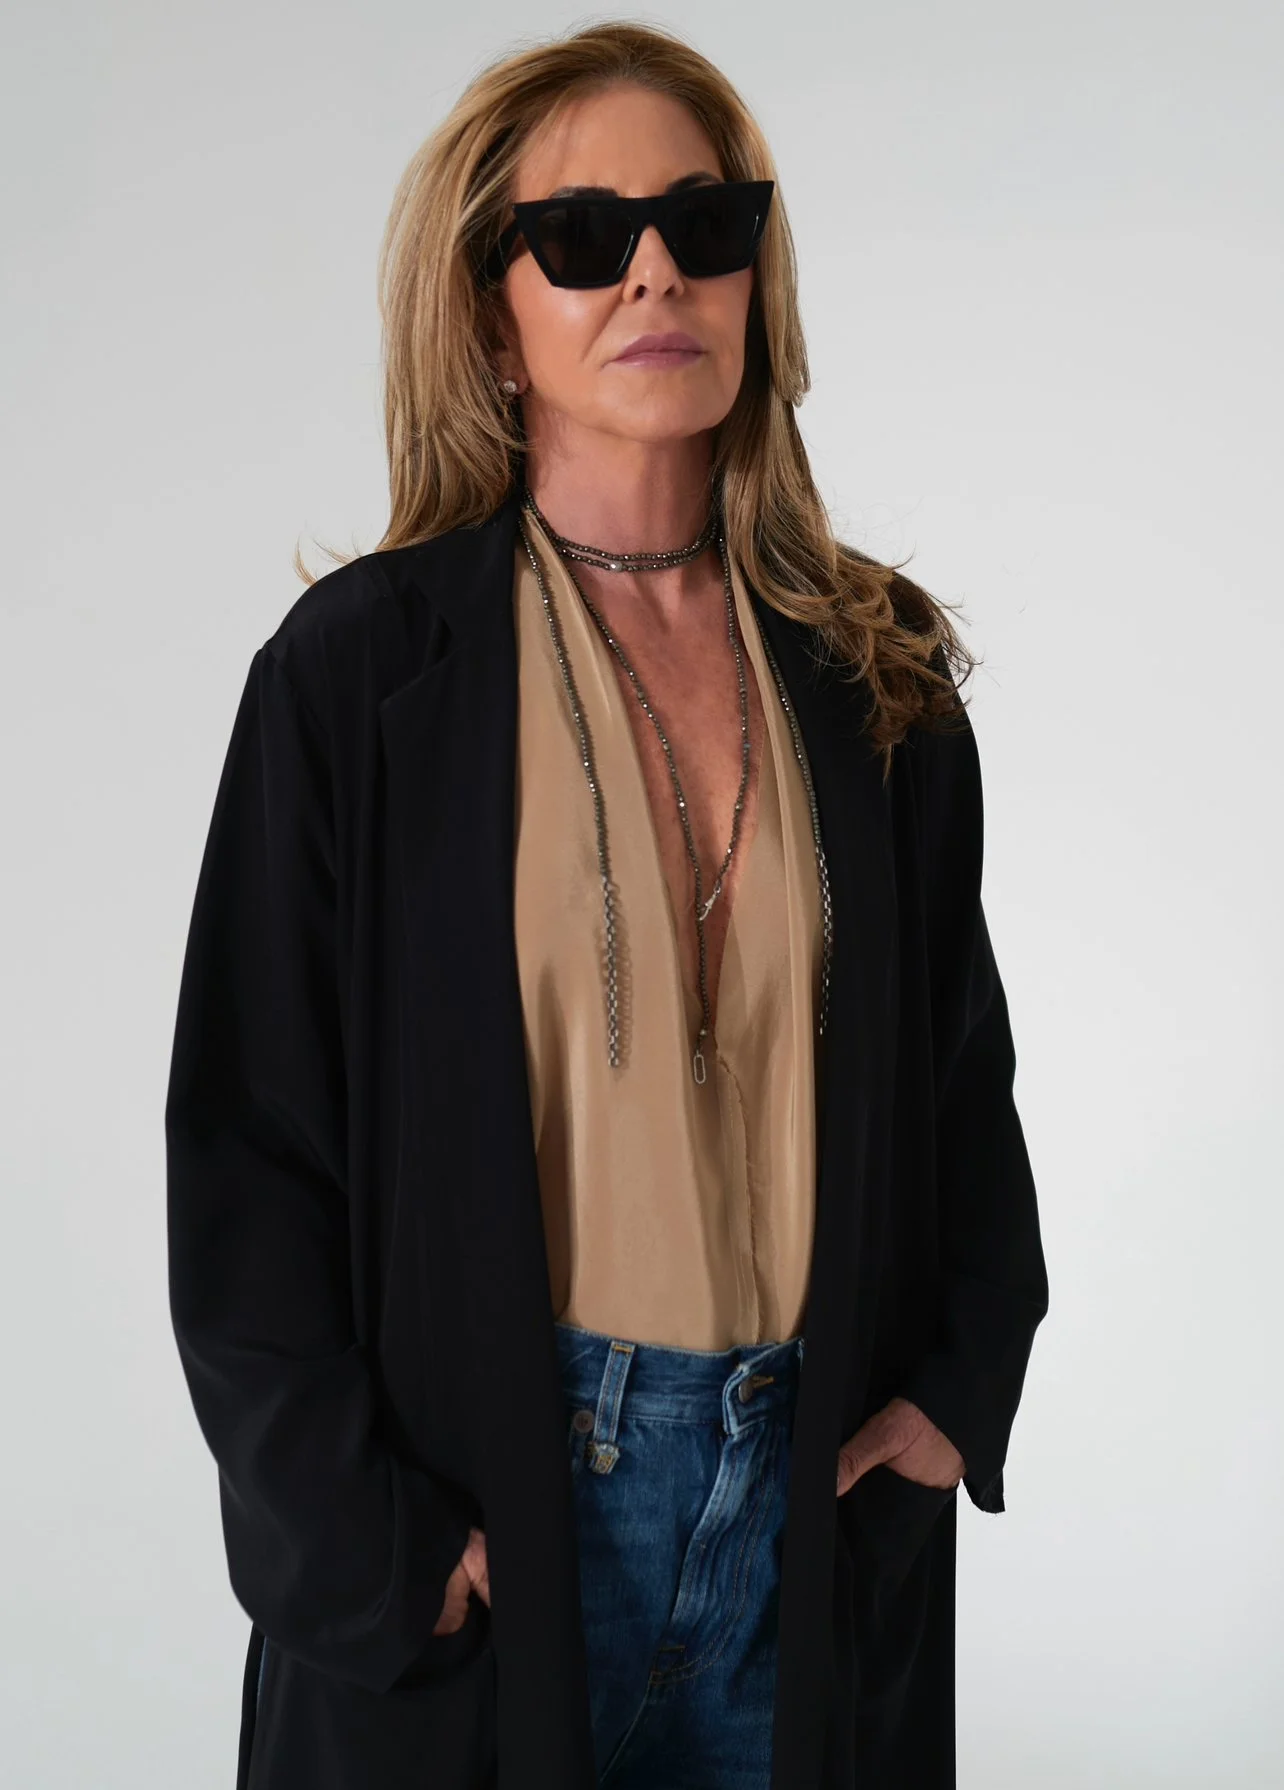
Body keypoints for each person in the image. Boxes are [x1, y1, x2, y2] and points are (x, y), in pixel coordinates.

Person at [165, 20, 1049, 1790]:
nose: (655, 271)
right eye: (581, 237)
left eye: (703, 223)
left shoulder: (872, 675)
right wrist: (378, 1549)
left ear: (755, 275)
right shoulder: (359, 680)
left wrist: (959, 1390)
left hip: (804, 1520)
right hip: (492, 1524)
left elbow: (963, 1084)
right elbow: (247, 1155)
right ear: (494, 320)